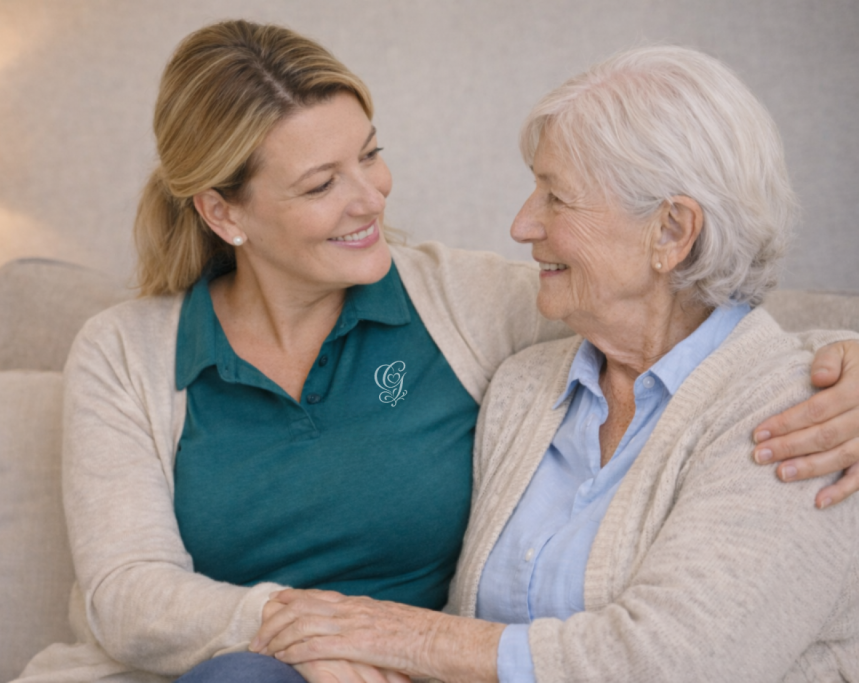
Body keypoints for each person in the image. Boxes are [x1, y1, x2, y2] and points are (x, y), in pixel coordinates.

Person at [16, 24, 859, 683]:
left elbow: (693, 314)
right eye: (320, 184)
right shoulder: (127, 353)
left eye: (371, 154)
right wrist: (316, 634)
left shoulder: (468, 304)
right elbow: (125, 592)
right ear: (224, 213)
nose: (370, 196)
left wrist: (843, 359)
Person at [252, 45, 859, 682]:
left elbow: (675, 663)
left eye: (557, 198)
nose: (521, 224)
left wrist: (405, 637)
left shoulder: (806, 420)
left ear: (672, 232)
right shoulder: (524, 388)